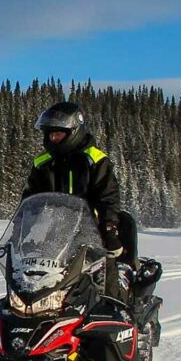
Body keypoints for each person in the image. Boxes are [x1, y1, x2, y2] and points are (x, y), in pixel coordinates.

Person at [22, 101, 126, 296]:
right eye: (50, 134)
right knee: (34, 280)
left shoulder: (94, 160)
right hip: (54, 233)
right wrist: (20, 231)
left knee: (104, 275)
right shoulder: (43, 163)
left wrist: (109, 229)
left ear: (74, 131)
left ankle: (115, 307)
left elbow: (108, 197)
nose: (53, 138)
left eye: (58, 134)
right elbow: (29, 201)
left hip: (91, 232)